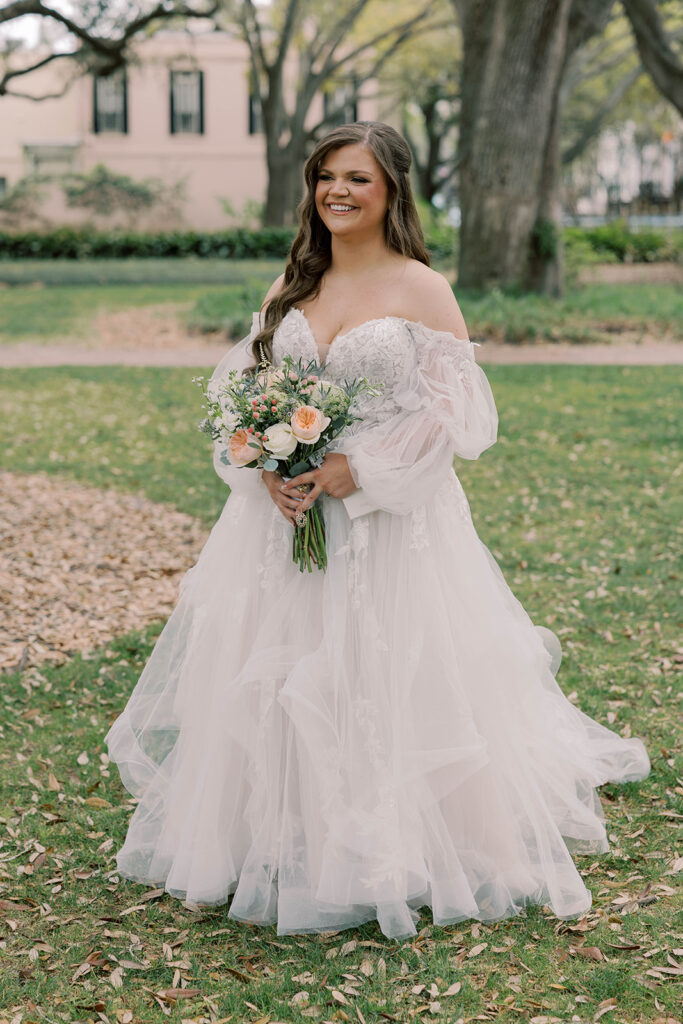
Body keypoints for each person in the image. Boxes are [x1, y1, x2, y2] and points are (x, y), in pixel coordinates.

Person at [105, 121, 650, 941]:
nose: (337, 192)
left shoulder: (420, 287)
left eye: (356, 178)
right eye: (326, 176)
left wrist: (358, 472)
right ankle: (283, 835)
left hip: (389, 524)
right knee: (280, 673)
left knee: (385, 672)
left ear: (391, 188)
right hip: (286, 521)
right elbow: (245, 391)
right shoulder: (293, 283)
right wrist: (262, 463)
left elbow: (454, 413)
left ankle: (393, 847)